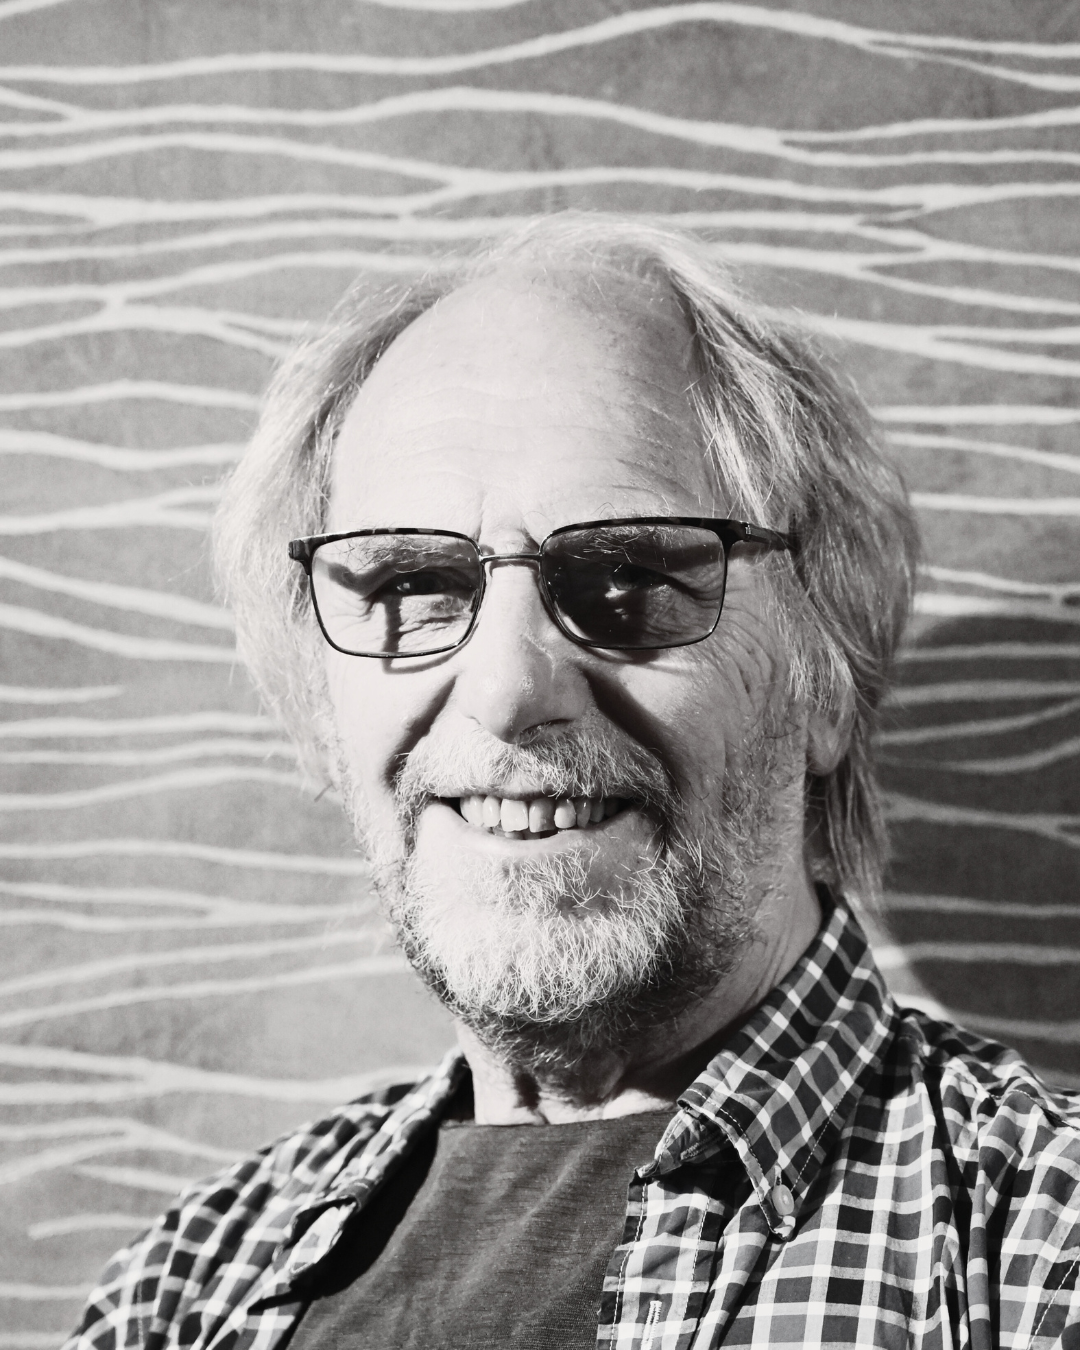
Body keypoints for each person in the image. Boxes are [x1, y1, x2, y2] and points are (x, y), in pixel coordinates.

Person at [65, 214, 1080, 1350]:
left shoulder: (1041, 1247)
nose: (506, 687)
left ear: (825, 677)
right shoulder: (181, 1287)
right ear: (321, 709)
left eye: (631, 572)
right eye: (411, 584)